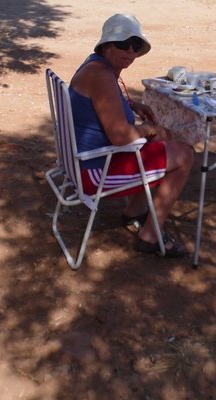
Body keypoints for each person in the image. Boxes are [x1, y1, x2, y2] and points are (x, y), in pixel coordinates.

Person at [70, 13, 194, 258]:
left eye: (135, 46)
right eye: (123, 44)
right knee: (185, 155)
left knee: (163, 137)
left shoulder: (95, 66)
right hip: (93, 173)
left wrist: (131, 105)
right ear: (106, 45)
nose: (129, 52)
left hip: (82, 161)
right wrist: (146, 129)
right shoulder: (102, 76)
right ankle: (151, 236)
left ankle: (135, 212)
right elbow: (120, 136)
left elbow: (99, 103)